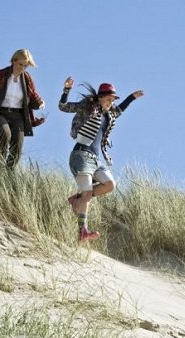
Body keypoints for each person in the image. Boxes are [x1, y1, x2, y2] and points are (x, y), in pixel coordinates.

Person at [59, 78, 144, 241]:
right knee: (88, 192)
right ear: (99, 98)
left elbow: (119, 110)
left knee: (110, 184)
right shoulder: (87, 108)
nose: (110, 103)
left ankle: (76, 200)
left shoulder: (109, 115)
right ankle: (82, 231)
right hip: (80, 156)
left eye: (112, 100)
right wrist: (66, 90)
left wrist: (132, 97)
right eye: (108, 99)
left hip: (96, 160)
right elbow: (63, 107)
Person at [0, 49, 45, 169]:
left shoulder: (27, 79)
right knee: (5, 134)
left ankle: (9, 173)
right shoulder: (0, 74)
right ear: (14, 61)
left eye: (25, 66)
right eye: (20, 64)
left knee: (18, 145)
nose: (22, 68)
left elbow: (33, 97)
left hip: (18, 116)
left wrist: (40, 103)